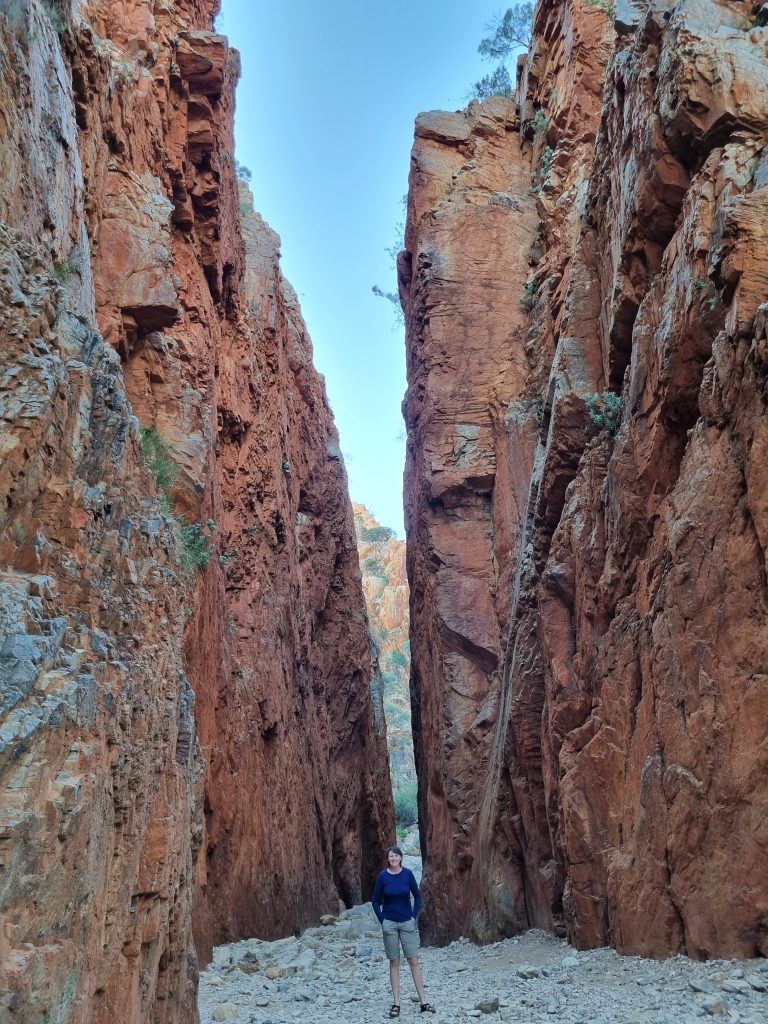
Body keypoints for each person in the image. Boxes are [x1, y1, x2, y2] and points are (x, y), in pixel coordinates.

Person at [371, 845, 435, 1018]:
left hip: (407, 923)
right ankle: (396, 1004)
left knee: (413, 960)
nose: (393, 859)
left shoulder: (407, 874)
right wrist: (382, 920)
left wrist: (413, 917)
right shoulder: (383, 877)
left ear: (400, 858)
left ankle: (424, 1002)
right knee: (394, 962)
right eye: (390, 857)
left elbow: (418, 896)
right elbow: (375, 900)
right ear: (388, 859)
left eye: (396, 856)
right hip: (390, 924)